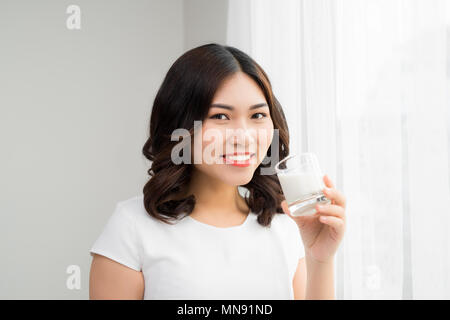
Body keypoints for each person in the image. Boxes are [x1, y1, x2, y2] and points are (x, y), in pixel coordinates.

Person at [89, 43, 347, 300]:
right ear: (180, 125)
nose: (244, 137)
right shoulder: (133, 227)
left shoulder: (285, 227)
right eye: (221, 117)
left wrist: (319, 260)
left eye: (257, 115)